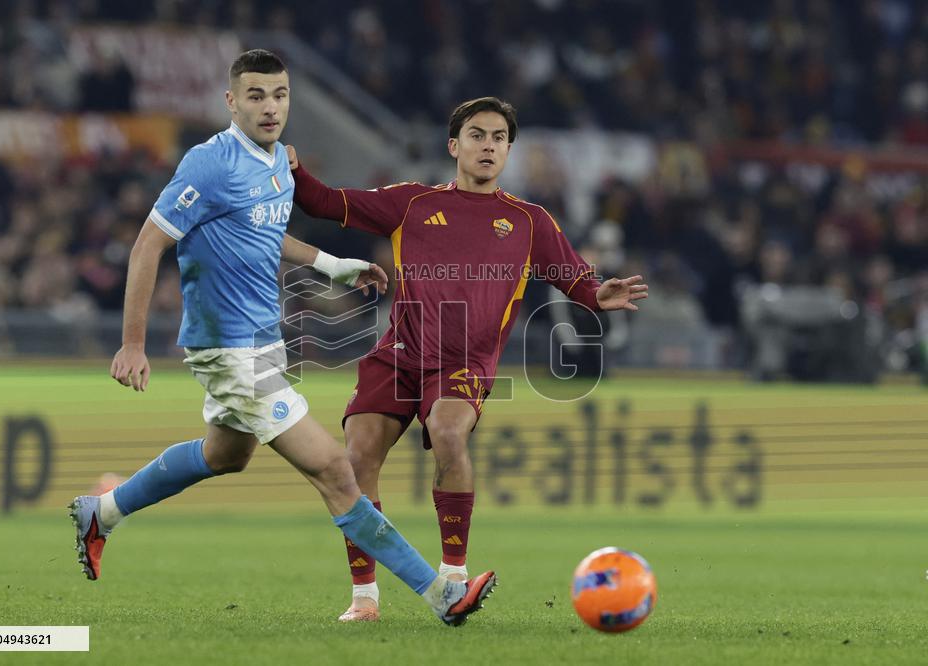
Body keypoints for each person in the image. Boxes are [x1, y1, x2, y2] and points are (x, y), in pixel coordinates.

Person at [68, 49, 496, 627]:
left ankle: (104, 511)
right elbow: (148, 243)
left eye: (280, 95)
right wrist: (133, 342)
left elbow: (266, 234)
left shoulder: (276, 163)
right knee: (337, 471)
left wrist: (333, 263)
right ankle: (441, 594)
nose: (271, 108)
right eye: (256, 96)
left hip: (262, 341)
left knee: (226, 454)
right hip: (230, 348)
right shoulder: (208, 164)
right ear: (231, 101)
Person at [288, 96, 647, 622]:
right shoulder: (411, 203)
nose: (489, 146)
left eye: (499, 138)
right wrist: (293, 169)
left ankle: (453, 579)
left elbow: (573, 276)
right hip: (400, 353)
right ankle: (364, 597)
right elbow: (324, 203)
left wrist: (597, 295)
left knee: (450, 433)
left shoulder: (528, 221)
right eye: (478, 135)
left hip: (464, 363)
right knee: (357, 458)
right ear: (454, 146)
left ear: (508, 151)